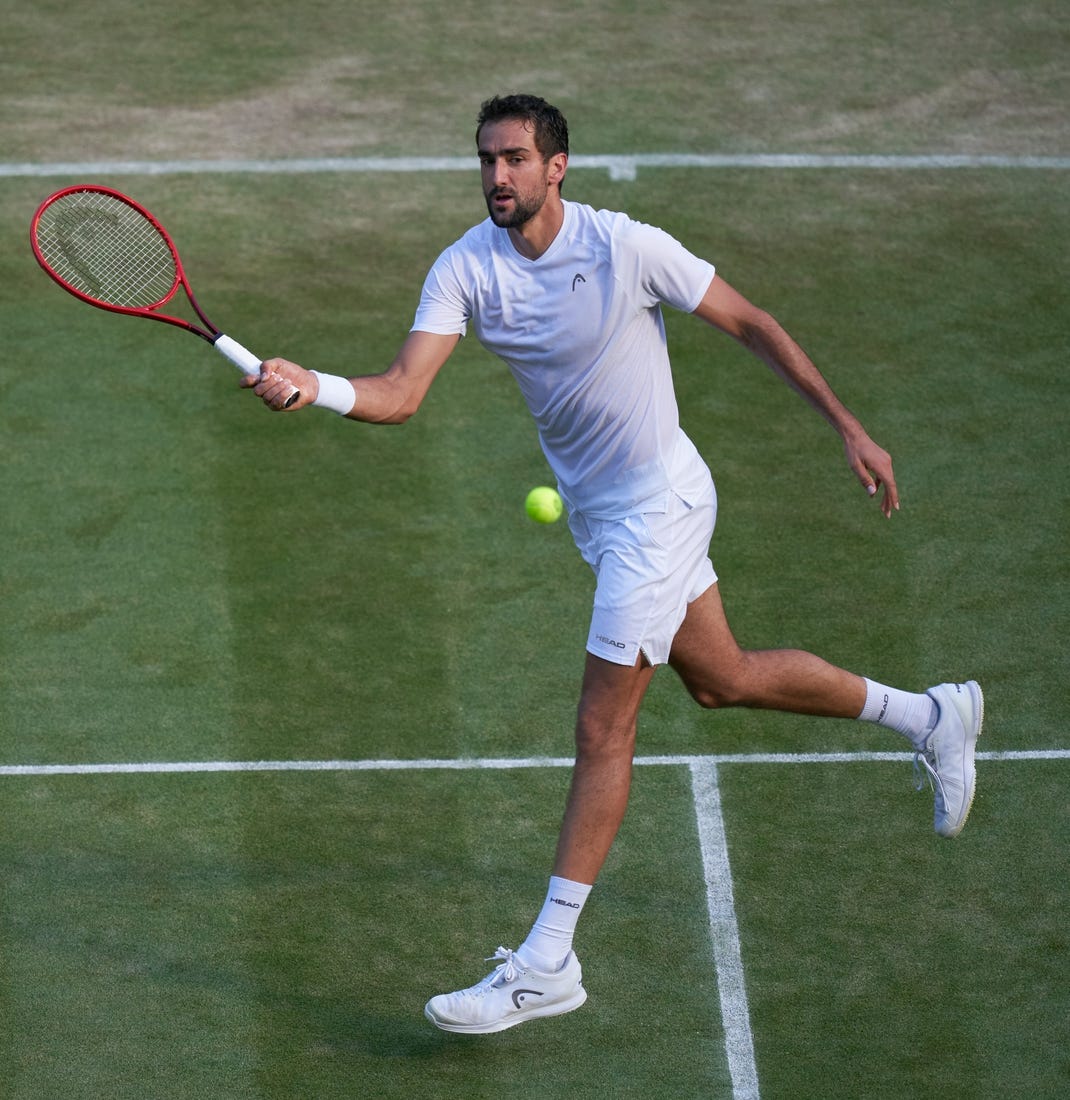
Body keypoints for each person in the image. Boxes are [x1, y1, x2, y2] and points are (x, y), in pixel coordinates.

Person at [245, 94, 983, 1035]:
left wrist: (848, 426)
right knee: (723, 679)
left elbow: (749, 320)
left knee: (603, 725)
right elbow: (400, 394)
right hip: (602, 518)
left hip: (662, 507)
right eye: (486, 160)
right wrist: (316, 388)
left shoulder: (625, 246)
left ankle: (548, 959)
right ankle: (932, 716)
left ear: (558, 168)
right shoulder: (464, 269)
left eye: (515, 159)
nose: (496, 177)